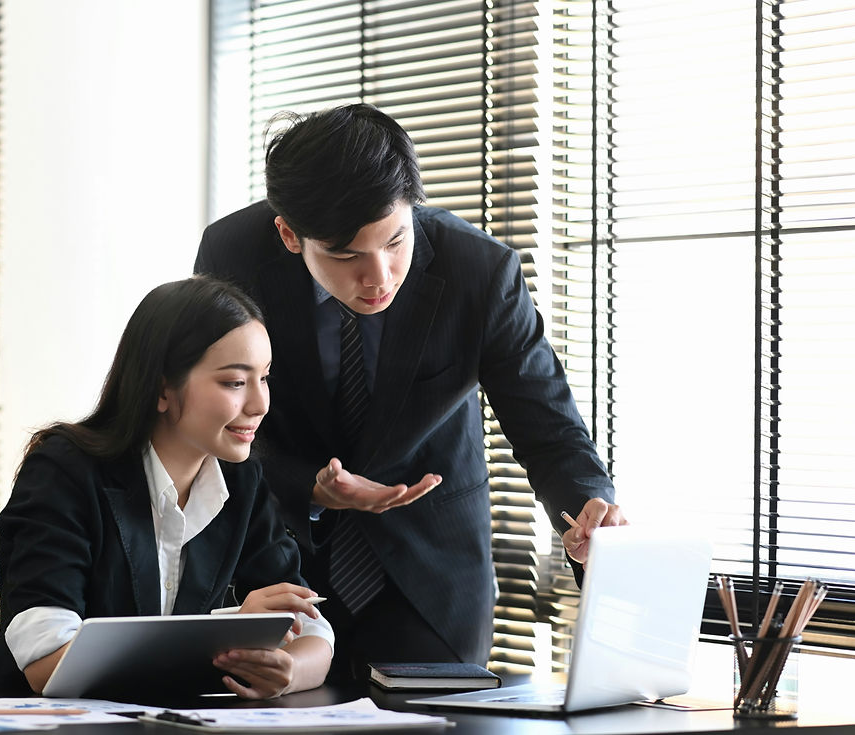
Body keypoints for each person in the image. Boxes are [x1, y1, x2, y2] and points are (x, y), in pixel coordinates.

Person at [194, 103, 627, 681]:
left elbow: (548, 427)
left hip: (431, 576)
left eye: (396, 241)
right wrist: (311, 488)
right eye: (346, 255)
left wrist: (588, 514)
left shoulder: (479, 271)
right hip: (277, 563)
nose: (379, 277)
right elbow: (210, 420)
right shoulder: (234, 255)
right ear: (289, 235)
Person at [0, 276, 333, 698]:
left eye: (265, 378)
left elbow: (312, 631)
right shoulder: (63, 471)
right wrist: (221, 636)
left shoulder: (242, 480)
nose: (260, 404)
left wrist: (286, 669)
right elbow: (49, 665)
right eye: (235, 382)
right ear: (162, 388)